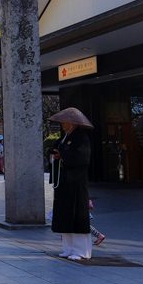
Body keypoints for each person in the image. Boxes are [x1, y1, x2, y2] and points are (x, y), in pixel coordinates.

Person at [49, 107, 94, 261]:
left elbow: (82, 158)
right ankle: (68, 248)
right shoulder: (64, 137)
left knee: (77, 216)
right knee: (65, 215)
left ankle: (81, 251)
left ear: (73, 123)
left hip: (76, 181)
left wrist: (64, 155)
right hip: (64, 181)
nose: (63, 124)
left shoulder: (81, 138)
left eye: (65, 122)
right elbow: (57, 152)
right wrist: (55, 154)